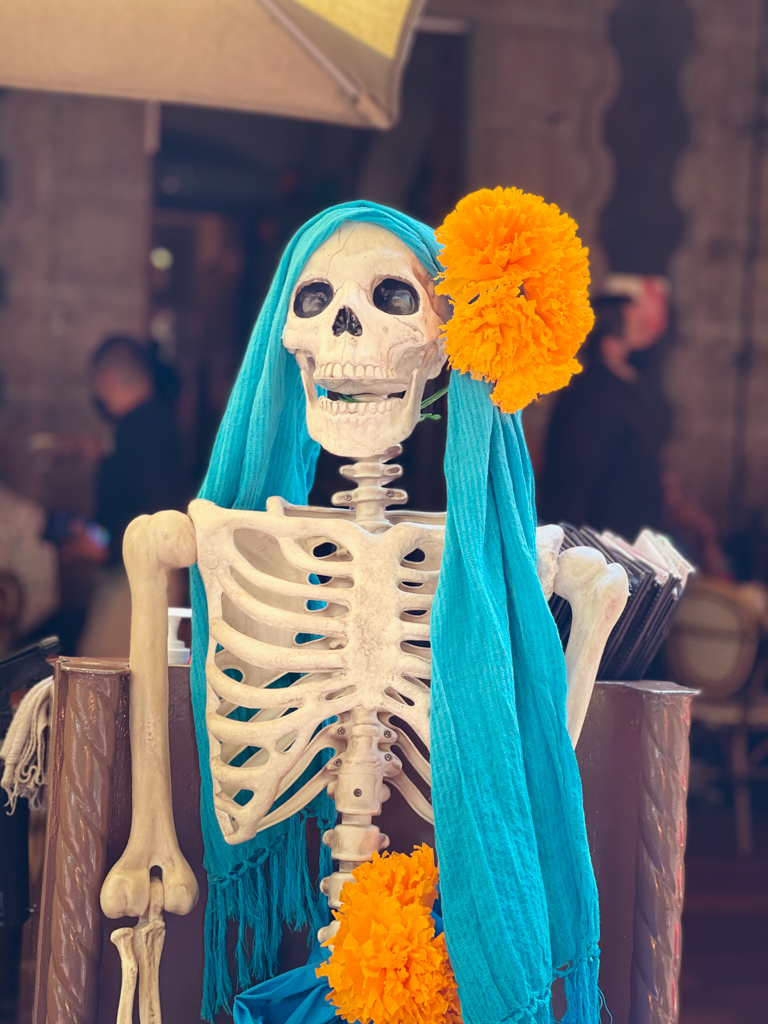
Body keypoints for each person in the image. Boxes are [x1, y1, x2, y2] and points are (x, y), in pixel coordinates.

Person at [76, 336, 188, 656]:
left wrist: (104, 549)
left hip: (138, 580)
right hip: (137, 574)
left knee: (109, 682)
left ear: (106, 380)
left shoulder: (141, 429)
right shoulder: (151, 421)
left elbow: (157, 507)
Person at [539, 293, 666, 539]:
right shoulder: (589, 402)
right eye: (640, 329)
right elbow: (571, 491)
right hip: (601, 555)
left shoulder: (624, 394)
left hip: (627, 547)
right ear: (610, 345)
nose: (651, 338)